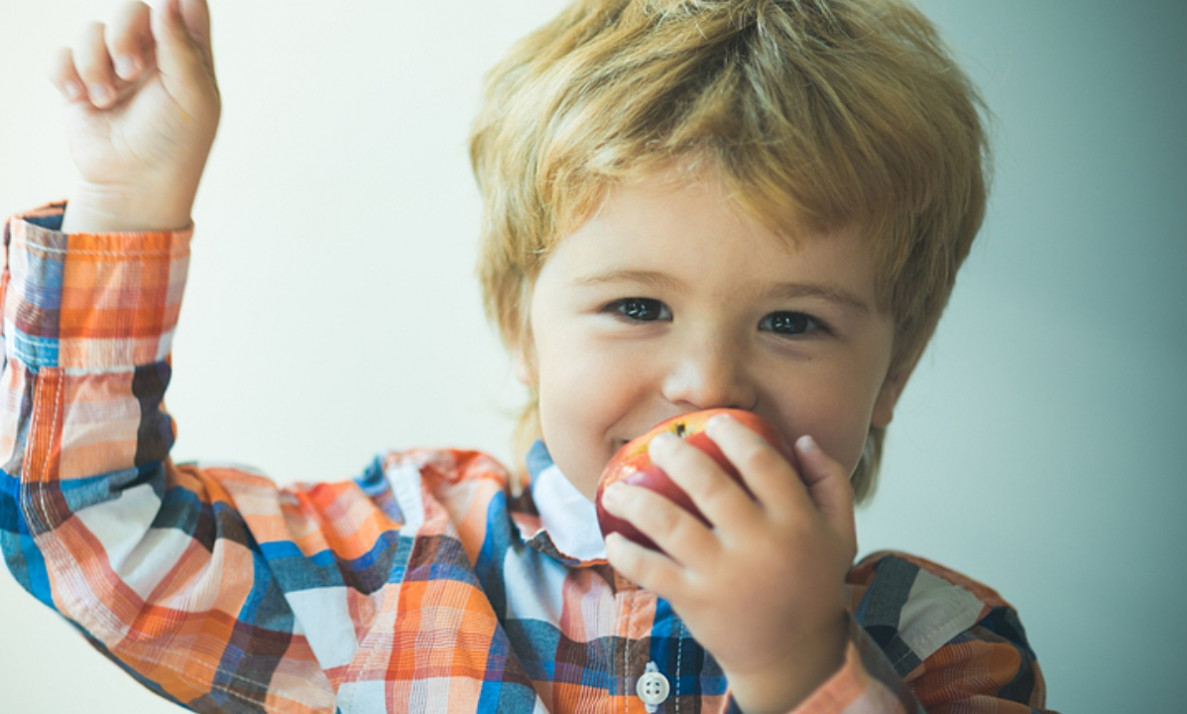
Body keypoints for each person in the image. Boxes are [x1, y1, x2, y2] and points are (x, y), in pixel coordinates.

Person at [0, 0, 1055, 711]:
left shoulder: (939, 644)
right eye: (638, 306)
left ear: (894, 371)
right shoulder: (390, 571)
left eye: (792, 323)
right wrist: (125, 205)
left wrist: (802, 666)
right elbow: (86, 523)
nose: (705, 383)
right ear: (521, 328)